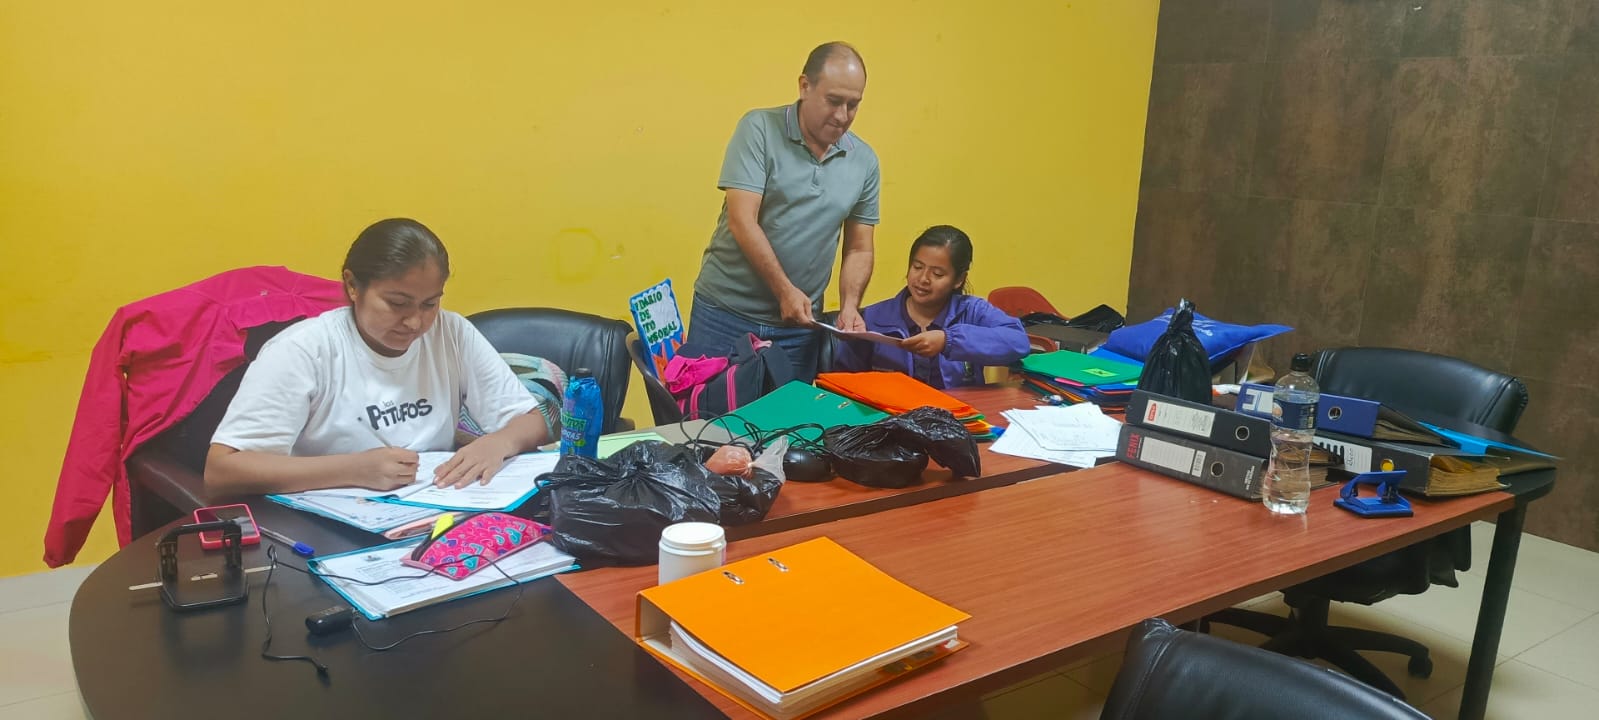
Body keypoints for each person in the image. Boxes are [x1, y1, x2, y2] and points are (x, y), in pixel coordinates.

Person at [204, 218, 557, 496]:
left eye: (429, 304)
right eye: (397, 304)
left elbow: (532, 421)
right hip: (325, 520)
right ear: (352, 286)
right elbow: (222, 471)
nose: (415, 322)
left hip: (430, 508)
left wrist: (498, 442)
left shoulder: (450, 332)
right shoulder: (303, 350)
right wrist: (353, 470)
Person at [686, 41, 880, 382]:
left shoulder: (864, 161)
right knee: (709, 415)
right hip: (724, 315)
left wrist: (849, 305)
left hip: (800, 329)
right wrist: (784, 291)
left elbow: (859, 248)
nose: (842, 116)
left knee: (789, 417)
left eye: (853, 105)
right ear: (805, 86)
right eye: (834, 101)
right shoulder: (758, 129)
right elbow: (742, 221)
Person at [832, 225, 1030, 388]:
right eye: (917, 267)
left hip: (958, 417)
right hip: (890, 417)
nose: (923, 279)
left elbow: (1018, 342)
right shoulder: (874, 317)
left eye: (937, 274)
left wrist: (949, 341)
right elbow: (842, 381)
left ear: (958, 279)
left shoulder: (972, 311)